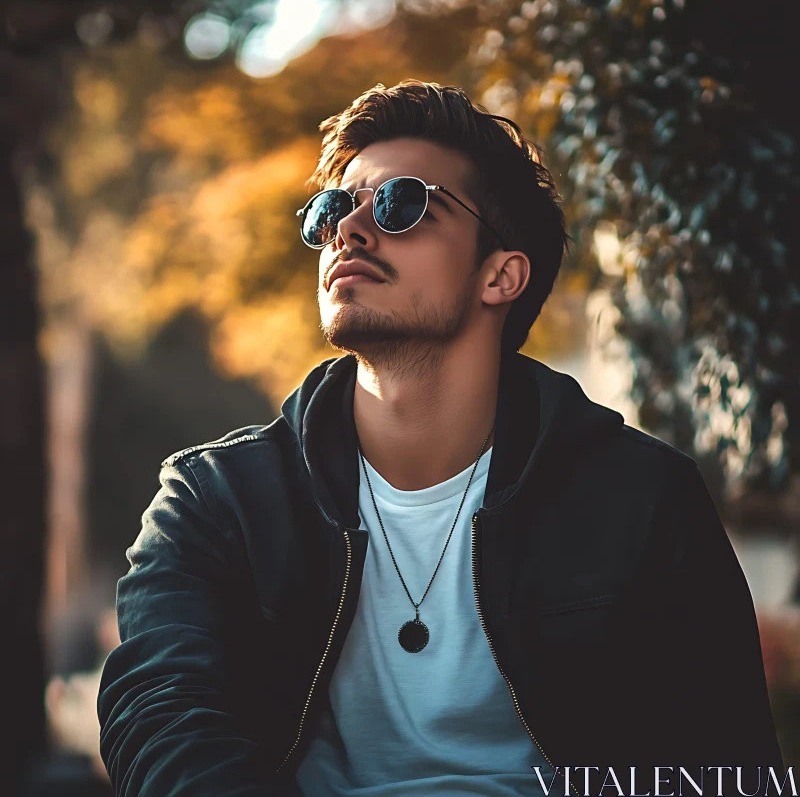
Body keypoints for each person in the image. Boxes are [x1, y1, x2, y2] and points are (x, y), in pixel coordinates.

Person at [97, 80, 784, 797]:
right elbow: (159, 715)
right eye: (335, 208)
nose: (350, 231)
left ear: (500, 275)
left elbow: (722, 761)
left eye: (402, 203)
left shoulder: (640, 498)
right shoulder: (215, 501)